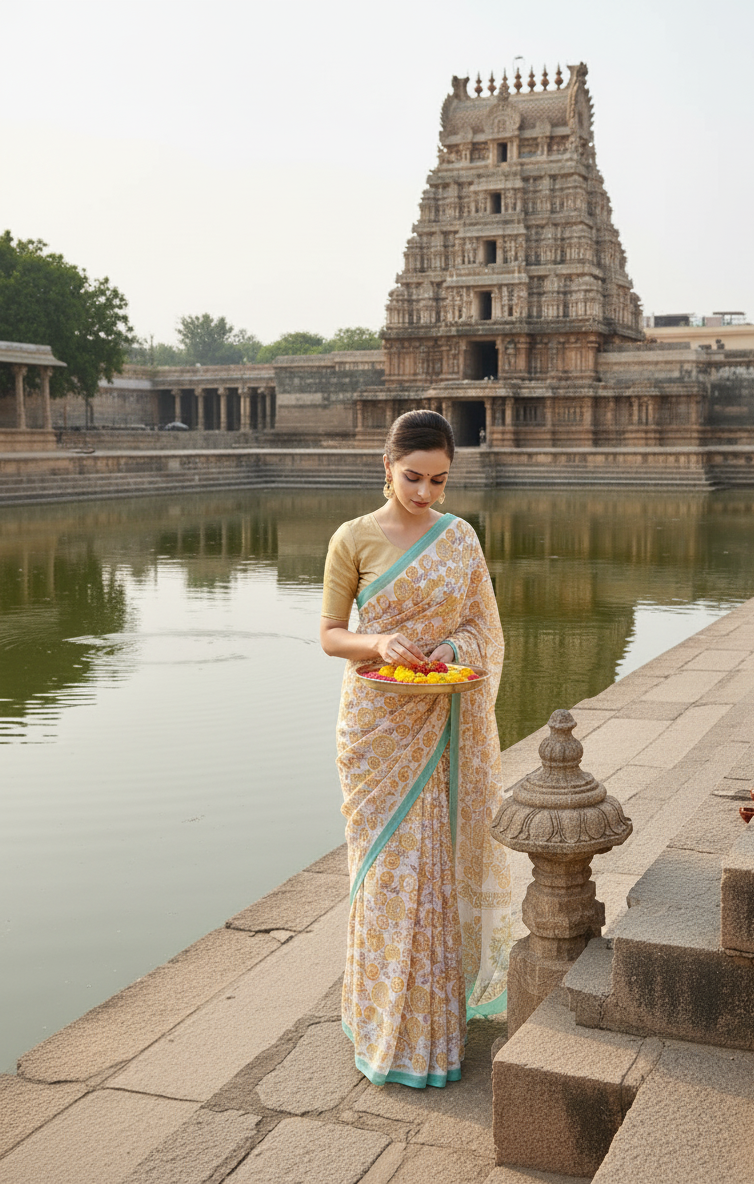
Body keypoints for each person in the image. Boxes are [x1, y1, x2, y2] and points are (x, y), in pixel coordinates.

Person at [320, 409, 511, 1089]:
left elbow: (481, 628)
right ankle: (380, 1027)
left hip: (443, 711)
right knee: (384, 872)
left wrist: (450, 650)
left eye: (439, 480)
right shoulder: (352, 539)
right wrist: (378, 643)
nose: (426, 493)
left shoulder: (459, 539)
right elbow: (330, 635)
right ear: (386, 465)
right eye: (413, 478)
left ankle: (434, 1031)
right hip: (376, 726)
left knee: (434, 868)